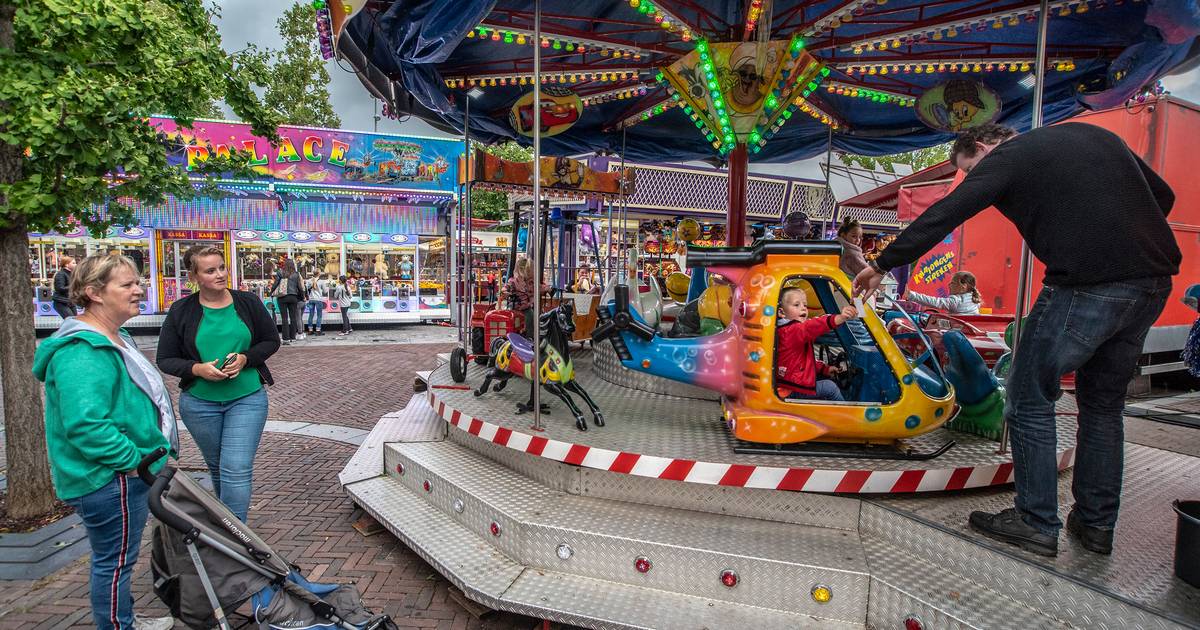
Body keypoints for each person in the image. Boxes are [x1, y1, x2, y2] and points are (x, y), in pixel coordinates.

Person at [853, 123, 1179, 557]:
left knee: (1027, 397)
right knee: (1102, 405)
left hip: (1087, 284)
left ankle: (1035, 519)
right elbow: (1163, 197)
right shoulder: (1095, 135)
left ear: (984, 147)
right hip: (1152, 282)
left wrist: (884, 263)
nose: (975, 179)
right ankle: (1096, 524)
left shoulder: (1009, 156)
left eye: (971, 169)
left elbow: (951, 209)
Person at [32, 254, 176, 630]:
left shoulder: (116, 337)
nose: (139, 289)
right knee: (114, 562)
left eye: (137, 281)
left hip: (120, 475)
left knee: (116, 559)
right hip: (110, 479)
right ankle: (117, 624)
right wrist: (133, 462)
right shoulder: (83, 351)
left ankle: (121, 617)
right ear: (94, 293)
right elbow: (87, 425)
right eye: (126, 284)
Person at [157, 245, 281, 521]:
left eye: (222, 267)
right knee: (218, 467)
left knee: (235, 467)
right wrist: (197, 369)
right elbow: (165, 359)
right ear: (194, 276)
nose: (220, 274)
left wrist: (246, 358)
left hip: (247, 398)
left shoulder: (247, 302)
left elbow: (272, 340)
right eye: (210, 270)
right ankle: (227, 529)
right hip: (200, 404)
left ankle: (235, 538)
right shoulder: (182, 310)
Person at [775, 287, 858, 401]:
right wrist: (840, 318)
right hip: (790, 391)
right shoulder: (791, 330)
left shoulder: (787, 330)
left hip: (788, 384)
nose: (803, 308)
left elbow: (802, 362)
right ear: (781, 312)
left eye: (805, 305)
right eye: (796, 305)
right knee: (830, 388)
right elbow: (812, 326)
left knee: (825, 382)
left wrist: (825, 369)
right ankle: (846, 418)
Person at [501, 255, 550, 335]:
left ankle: (531, 335)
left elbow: (540, 287)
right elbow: (506, 288)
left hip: (524, 308)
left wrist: (547, 288)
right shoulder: (514, 282)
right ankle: (531, 336)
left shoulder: (530, 282)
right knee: (529, 317)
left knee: (532, 316)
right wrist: (505, 292)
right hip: (516, 309)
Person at [905, 271, 982, 315]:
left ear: (963, 286)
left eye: (953, 283)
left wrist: (912, 295)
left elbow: (935, 302)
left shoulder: (956, 301)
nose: (949, 285)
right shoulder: (975, 300)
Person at [269, 259, 304, 343]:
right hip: (293, 297)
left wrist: (271, 292)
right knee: (293, 318)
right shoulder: (296, 274)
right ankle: (293, 336)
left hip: (282, 297)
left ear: (284, 264)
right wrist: (302, 297)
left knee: (284, 318)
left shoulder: (280, 272)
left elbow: (276, 283)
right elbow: (300, 287)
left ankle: (285, 338)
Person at [51, 255, 77, 320]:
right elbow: (60, 288)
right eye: (73, 263)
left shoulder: (72, 274)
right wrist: (74, 286)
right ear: (66, 265)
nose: (76, 264)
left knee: (75, 321)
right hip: (61, 302)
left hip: (70, 301)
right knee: (71, 320)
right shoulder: (61, 274)